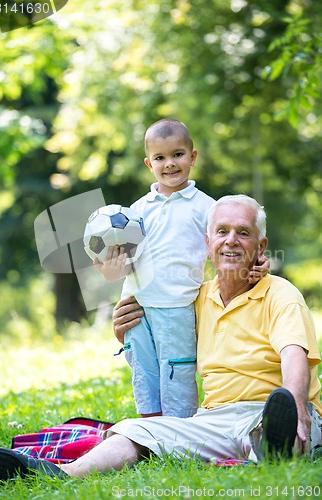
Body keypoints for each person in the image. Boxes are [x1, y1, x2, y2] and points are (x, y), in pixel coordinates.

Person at [0, 194, 321, 480]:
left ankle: (278, 444)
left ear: (261, 246)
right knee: (134, 430)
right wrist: (125, 332)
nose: (231, 240)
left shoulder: (280, 293)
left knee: (280, 425)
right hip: (214, 418)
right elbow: (162, 336)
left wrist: (296, 407)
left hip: (273, 409)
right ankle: (57, 473)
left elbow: (294, 354)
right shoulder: (193, 299)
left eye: (243, 233)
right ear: (208, 243)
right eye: (222, 232)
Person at [94, 118, 268, 418]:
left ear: (193, 157)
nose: (169, 164)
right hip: (136, 305)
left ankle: (179, 429)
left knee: (177, 373)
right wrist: (111, 269)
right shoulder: (135, 211)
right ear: (149, 164)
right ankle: (150, 428)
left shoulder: (207, 208)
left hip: (177, 307)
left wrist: (258, 263)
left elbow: (232, 241)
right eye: (160, 158)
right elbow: (121, 265)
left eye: (177, 154)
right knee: (143, 372)